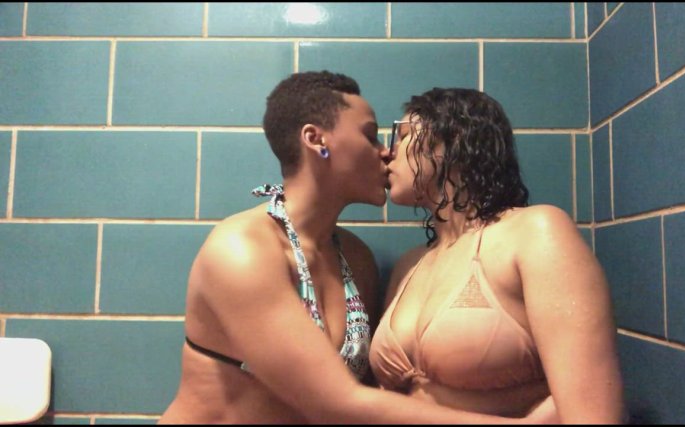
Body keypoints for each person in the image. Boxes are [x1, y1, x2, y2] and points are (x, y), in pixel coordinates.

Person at [159, 71, 557, 424]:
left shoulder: (356, 259)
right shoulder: (242, 250)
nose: (386, 151)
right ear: (317, 140)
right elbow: (337, 404)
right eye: (369, 135)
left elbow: (374, 399)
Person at [370, 88, 625, 424]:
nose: (389, 153)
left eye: (403, 136)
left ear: (453, 139)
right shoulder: (410, 264)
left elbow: (594, 415)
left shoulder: (535, 232)